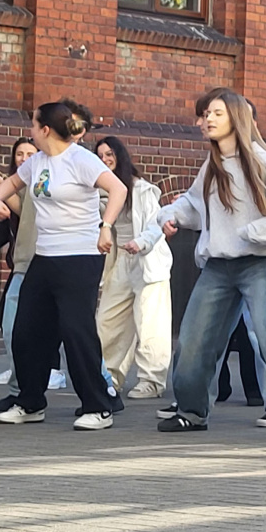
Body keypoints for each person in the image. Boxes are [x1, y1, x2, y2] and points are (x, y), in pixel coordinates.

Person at [131, 90, 266, 437]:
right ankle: (191, 412)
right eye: (205, 115)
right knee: (193, 340)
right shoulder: (212, 164)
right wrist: (169, 216)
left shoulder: (260, 159)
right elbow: (192, 204)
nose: (208, 120)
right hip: (217, 266)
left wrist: (258, 232)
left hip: (258, 264)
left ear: (235, 117)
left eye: (217, 113)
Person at [0, 102, 127, 430]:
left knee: (76, 331)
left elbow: (118, 189)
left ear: (46, 129)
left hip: (80, 256)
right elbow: (10, 184)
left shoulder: (80, 159)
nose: (31, 131)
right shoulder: (36, 162)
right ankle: (31, 402)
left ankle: (98, 406)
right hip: (45, 256)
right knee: (26, 330)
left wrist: (106, 226)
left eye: (34, 125)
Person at [94, 136, 173, 399]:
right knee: (108, 318)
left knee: (150, 323)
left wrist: (141, 242)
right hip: (121, 260)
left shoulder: (142, 190)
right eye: (100, 156)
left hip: (147, 260)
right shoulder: (102, 191)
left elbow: (155, 223)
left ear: (120, 155)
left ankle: (152, 381)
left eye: (109, 154)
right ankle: (109, 376)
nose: (105, 160)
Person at [0, 136, 37, 386]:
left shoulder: (41, 179)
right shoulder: (17, 183)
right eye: (19, 154)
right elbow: (10, 222)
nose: (24, 159)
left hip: (43, 259)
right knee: (9, 316)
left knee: (62, 322)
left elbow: (24, 210)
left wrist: (1, 191)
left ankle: (53, 371)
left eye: (30, 154)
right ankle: (20, 373)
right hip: (22, 262)